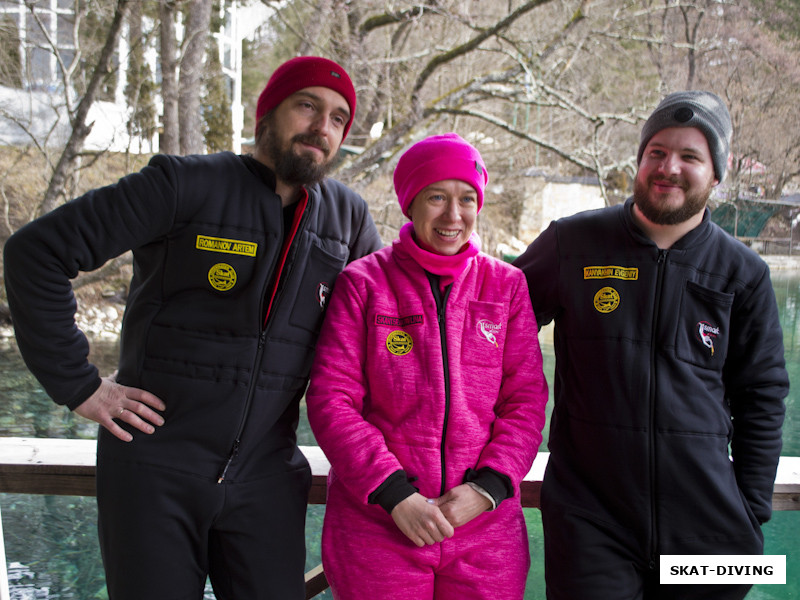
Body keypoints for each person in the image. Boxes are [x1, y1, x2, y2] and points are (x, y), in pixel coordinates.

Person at [3, 56, 382, 599]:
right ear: (268, 113)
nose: (323, 127)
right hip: (154, 472)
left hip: (267, 479)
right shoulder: (183, 185)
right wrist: (79, 386)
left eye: (340, 118)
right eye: (308, 106)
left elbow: (387, 326)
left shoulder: (348, 219)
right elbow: (34, 254)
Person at [513, 91, 789, 599]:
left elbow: (763, 398)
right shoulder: (572, 243)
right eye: (657, 152)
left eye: (690, 156)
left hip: (711, 533)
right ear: (639, 162)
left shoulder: (744, 273)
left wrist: (751, 515)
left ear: (716, 175)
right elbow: (486, 333)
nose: (669, 167)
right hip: (590, 523)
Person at [306, 133, 548, 599]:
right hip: (378, 523)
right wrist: (394, 494)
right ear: (410, 202)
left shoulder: (507, 287)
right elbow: (331, 400)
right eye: (437, 196)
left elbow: (526, 402)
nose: (453, 215)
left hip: (485, 528)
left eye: (467, 198)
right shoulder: (364, 284)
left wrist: (488, 488)